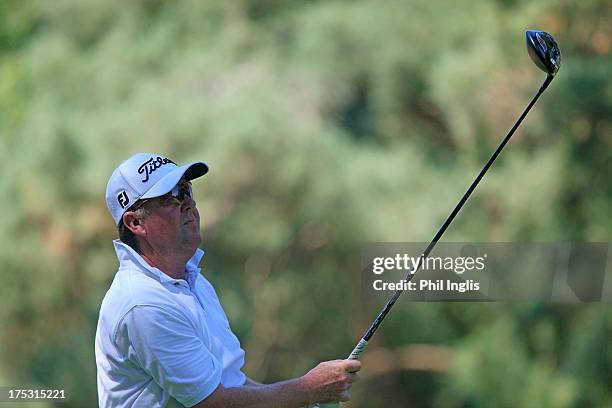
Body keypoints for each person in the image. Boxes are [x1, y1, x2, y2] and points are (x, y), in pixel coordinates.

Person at [95, 153, 361, 407]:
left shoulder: (193, 281)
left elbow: (233, 382)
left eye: (187, 190)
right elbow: (213, 403)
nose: (188, 203)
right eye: (172, 197)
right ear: (135, 223)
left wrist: (301, 401)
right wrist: (305, 389)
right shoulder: (143, 304)